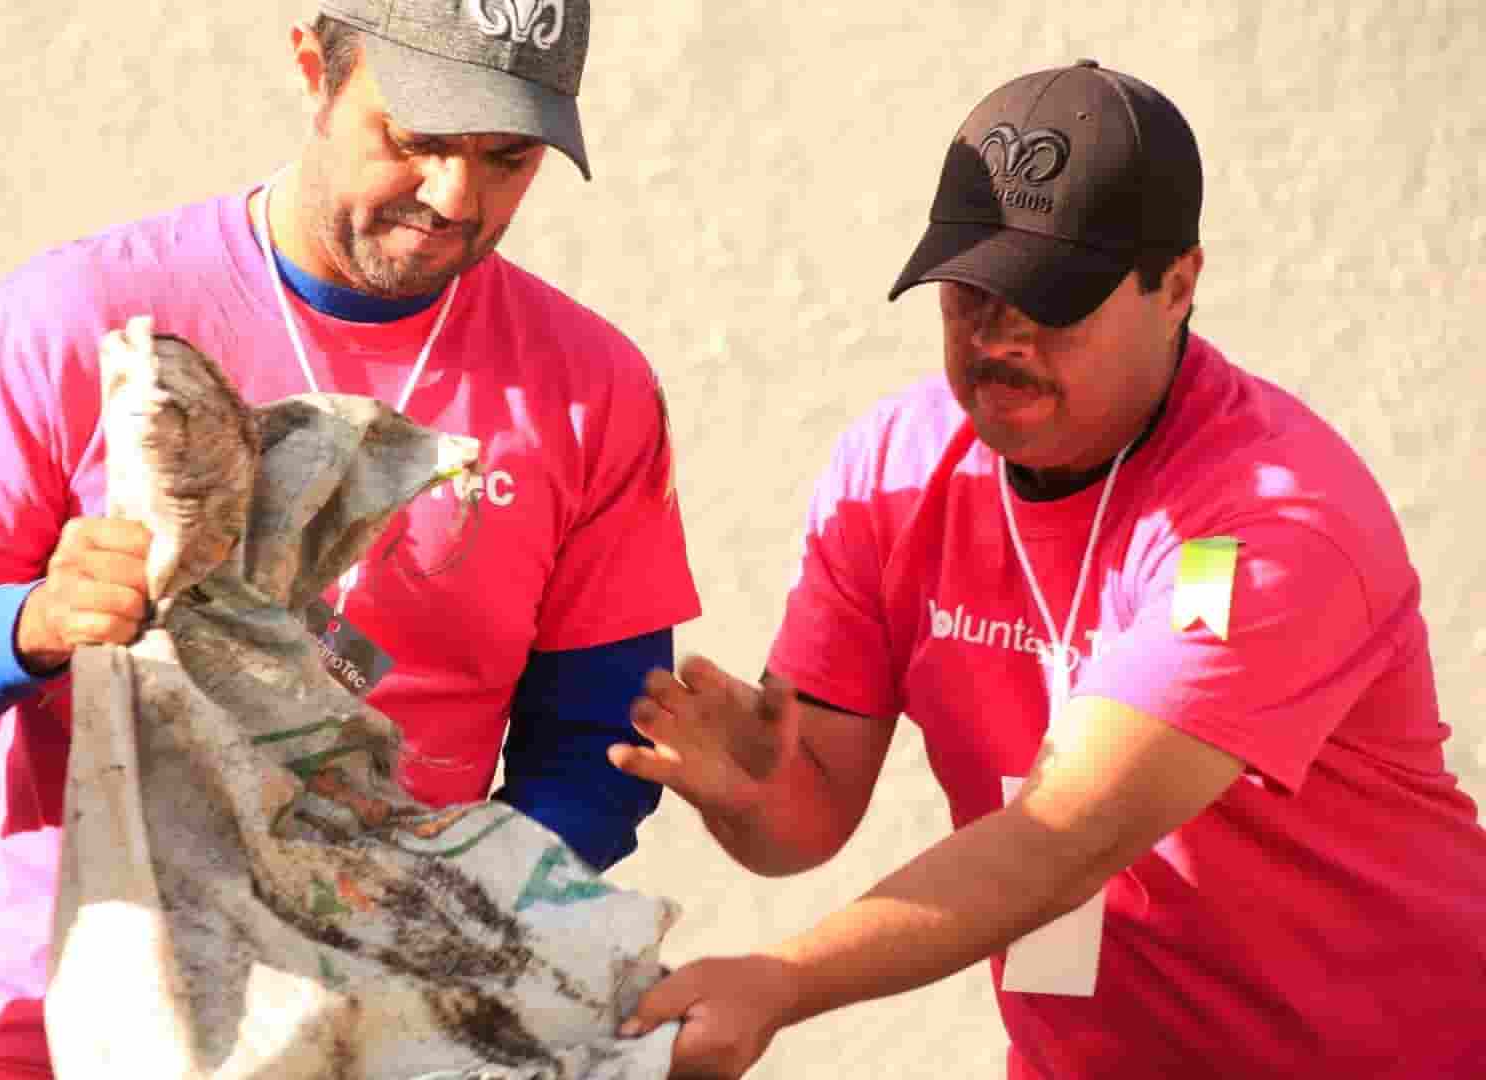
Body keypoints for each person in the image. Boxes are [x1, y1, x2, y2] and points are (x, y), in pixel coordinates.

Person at [610, 60, 1486, 1079]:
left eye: (1051, 298)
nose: (1000, 337)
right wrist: (749, 794)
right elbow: (801, 825)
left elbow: (1066, 836)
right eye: (969, 293)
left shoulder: (1265, 521)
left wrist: (781, 980)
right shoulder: (893, 470)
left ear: (1178, 286)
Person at [0, 0, 697, 1075]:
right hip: (72, 1019)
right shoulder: (72, 317)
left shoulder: (590, 388)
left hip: (399, 1026)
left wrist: (446, 911)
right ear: (314, 67)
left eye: (509, 157)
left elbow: (598, 745)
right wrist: (29, 623)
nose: (457, 198)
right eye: (418, 140)